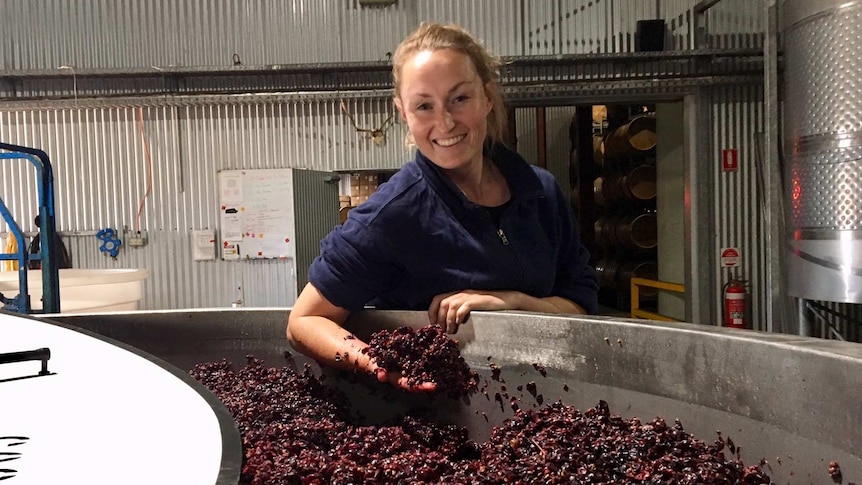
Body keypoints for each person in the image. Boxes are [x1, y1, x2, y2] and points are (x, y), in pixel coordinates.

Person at [287, 22, 598, 392]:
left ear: (487, 96)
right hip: (432, 418)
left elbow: (581, 304)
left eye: (460, 98)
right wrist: (384, 370)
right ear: (403, 112)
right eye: (424, 106)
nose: (445, 122)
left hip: (546, 403)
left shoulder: (540, 192)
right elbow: (303, 323)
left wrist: (513, 302)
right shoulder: (393, 214)